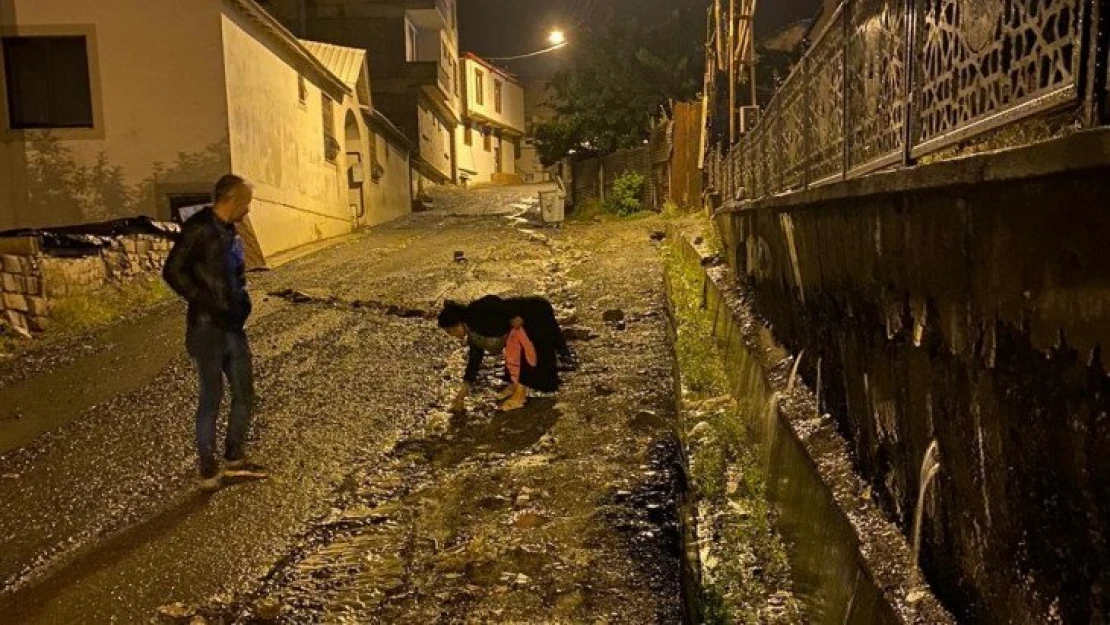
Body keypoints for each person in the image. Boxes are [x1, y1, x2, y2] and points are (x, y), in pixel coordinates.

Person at [163, 174, 265, 491]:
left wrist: (241, 302)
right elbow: (172, 270)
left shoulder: (229, 230)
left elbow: (234, 276)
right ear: (232, 200)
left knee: (245, 392)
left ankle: (234, 458)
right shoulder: (199, 229)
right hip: (206, 329)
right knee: (212, 397)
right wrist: (203, 299)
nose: (247, 212)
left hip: (233, 326)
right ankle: (208, 470)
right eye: (245, 205)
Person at [438, 295, 575, 412]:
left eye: (450, 331)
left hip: (534, 313)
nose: (453, 336)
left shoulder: (475, 312)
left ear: (457, 323)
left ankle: (520, 395)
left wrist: (513, 315)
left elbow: (492, 301)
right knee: (514, 352)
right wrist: (461, 394)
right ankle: (515, 385)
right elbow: (474, 362)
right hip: (522, 324)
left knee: (526, 353)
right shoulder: (473, 332)